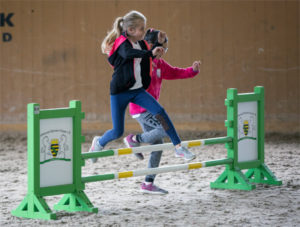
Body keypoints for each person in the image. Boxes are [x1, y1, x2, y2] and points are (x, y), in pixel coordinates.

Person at [89, 11, 196, 165]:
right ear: (131, 30)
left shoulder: (142, 44)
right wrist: (148, 53)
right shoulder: (122, 43)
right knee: (117, 131)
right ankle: (98, 143)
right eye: (142, 29)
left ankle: (178, 147)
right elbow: (129, 54)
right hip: (120, 92)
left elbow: (145, 56)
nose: (144, 32)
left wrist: (155, 52)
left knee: (161, 113)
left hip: (137, 91)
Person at [123, 28, 201, 194]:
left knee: (157, 145)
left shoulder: (160, 64)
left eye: (165, 49)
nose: (163, 52)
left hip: (150, 108)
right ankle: (133, 139)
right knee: (163, 127)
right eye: (161, 48)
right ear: (150, 45)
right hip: (141, 108)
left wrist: (192, 71)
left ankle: (148, 183)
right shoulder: (142, 61)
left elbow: (175, 72)